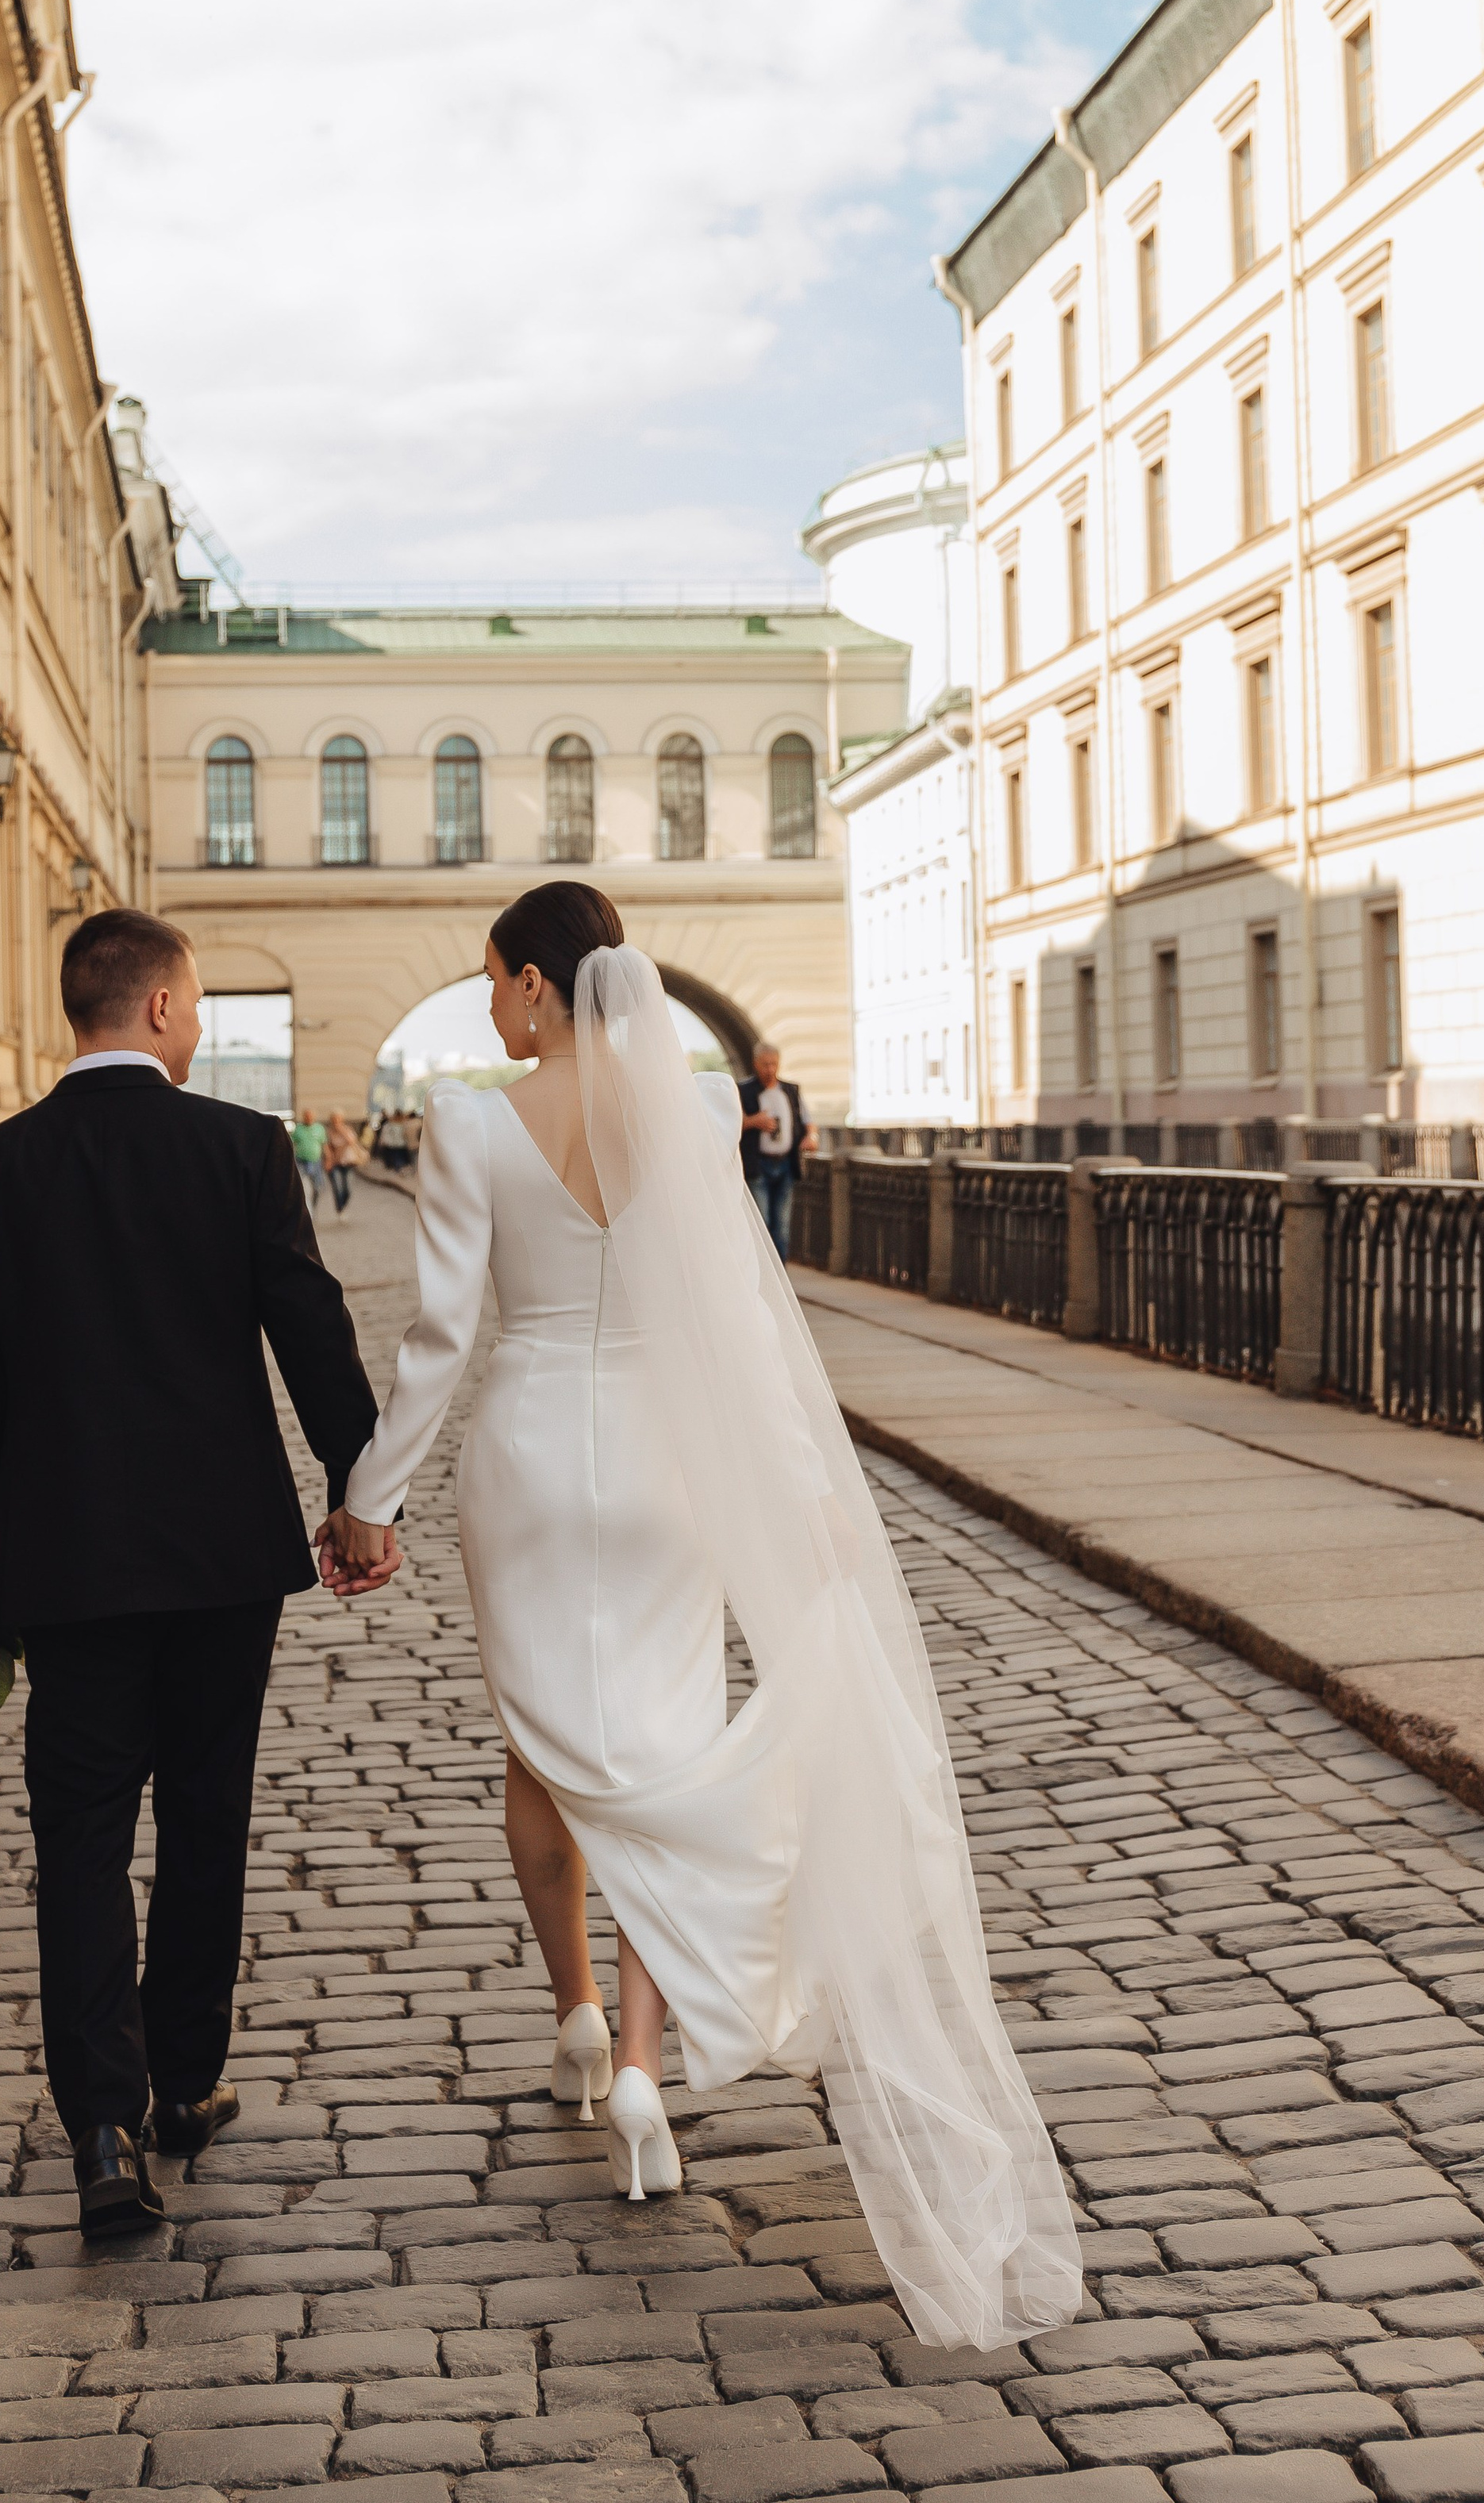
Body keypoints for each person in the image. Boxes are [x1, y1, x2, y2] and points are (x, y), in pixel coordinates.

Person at [313, 885, 1077, 2347]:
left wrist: (370, 1499)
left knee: (542, 1757)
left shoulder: (471, 1126)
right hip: (670, 1461)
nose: (488, 1010)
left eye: (495, 985)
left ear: (540, 986)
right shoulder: (700, 1103)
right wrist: (805, 1494)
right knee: (662, 1748)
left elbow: (439, 1338)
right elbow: (735, 1305)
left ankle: (578, 2017)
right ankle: (652, 2070)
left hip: (531, 1461)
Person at [0, 909, 386, 2240]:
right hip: (218, 1560)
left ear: (82, 1010)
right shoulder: (238, 1150)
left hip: (63, 1566)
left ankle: (105, 2129)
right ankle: (185, 2081)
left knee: (76, 1839)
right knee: (202, 1820)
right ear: (169, 1010)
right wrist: (364, 1494)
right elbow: (309, 1328)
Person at [737, 1039, 815, 1262]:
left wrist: (811, 1136)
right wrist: (755, 1122)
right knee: (761, 1223)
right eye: (765, 1064)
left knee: (782, 1225)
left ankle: (780, 1280)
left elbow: (808, 1121)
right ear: (755, 1064)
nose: (770, 1069)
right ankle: (761, 1275)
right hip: (758, 1165)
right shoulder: (743, 1090)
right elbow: (732, 1122)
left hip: (785, 1165)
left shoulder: (791, 1090)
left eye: (774, 1064)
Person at [322, 1108, 362, 1213]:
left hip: (348, 1163)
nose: (336, 1121)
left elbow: (352, 1141)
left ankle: (344, 1205)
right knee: (337, 1187)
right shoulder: (329, 1132)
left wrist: (341, 1130)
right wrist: (328, 1161)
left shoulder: (347, 1129)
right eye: (334, 1119)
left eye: (338, 1119)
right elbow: (327, 1148)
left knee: (347, 1189)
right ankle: (339, 1208)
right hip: (335, 1163)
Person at [290, 1108, 327, 1210]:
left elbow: (324, 1144)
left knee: (317, 1188)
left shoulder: (319, 1129)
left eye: (311, 1116)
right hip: (301, 1161)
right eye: (307, 1116)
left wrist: (328, 1158)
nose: (309, 1118)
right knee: (300, 1186)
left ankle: (314, 1207)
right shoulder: (298, 1129)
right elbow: (292, 1143)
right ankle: (306, 1209)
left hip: (315, 1161)